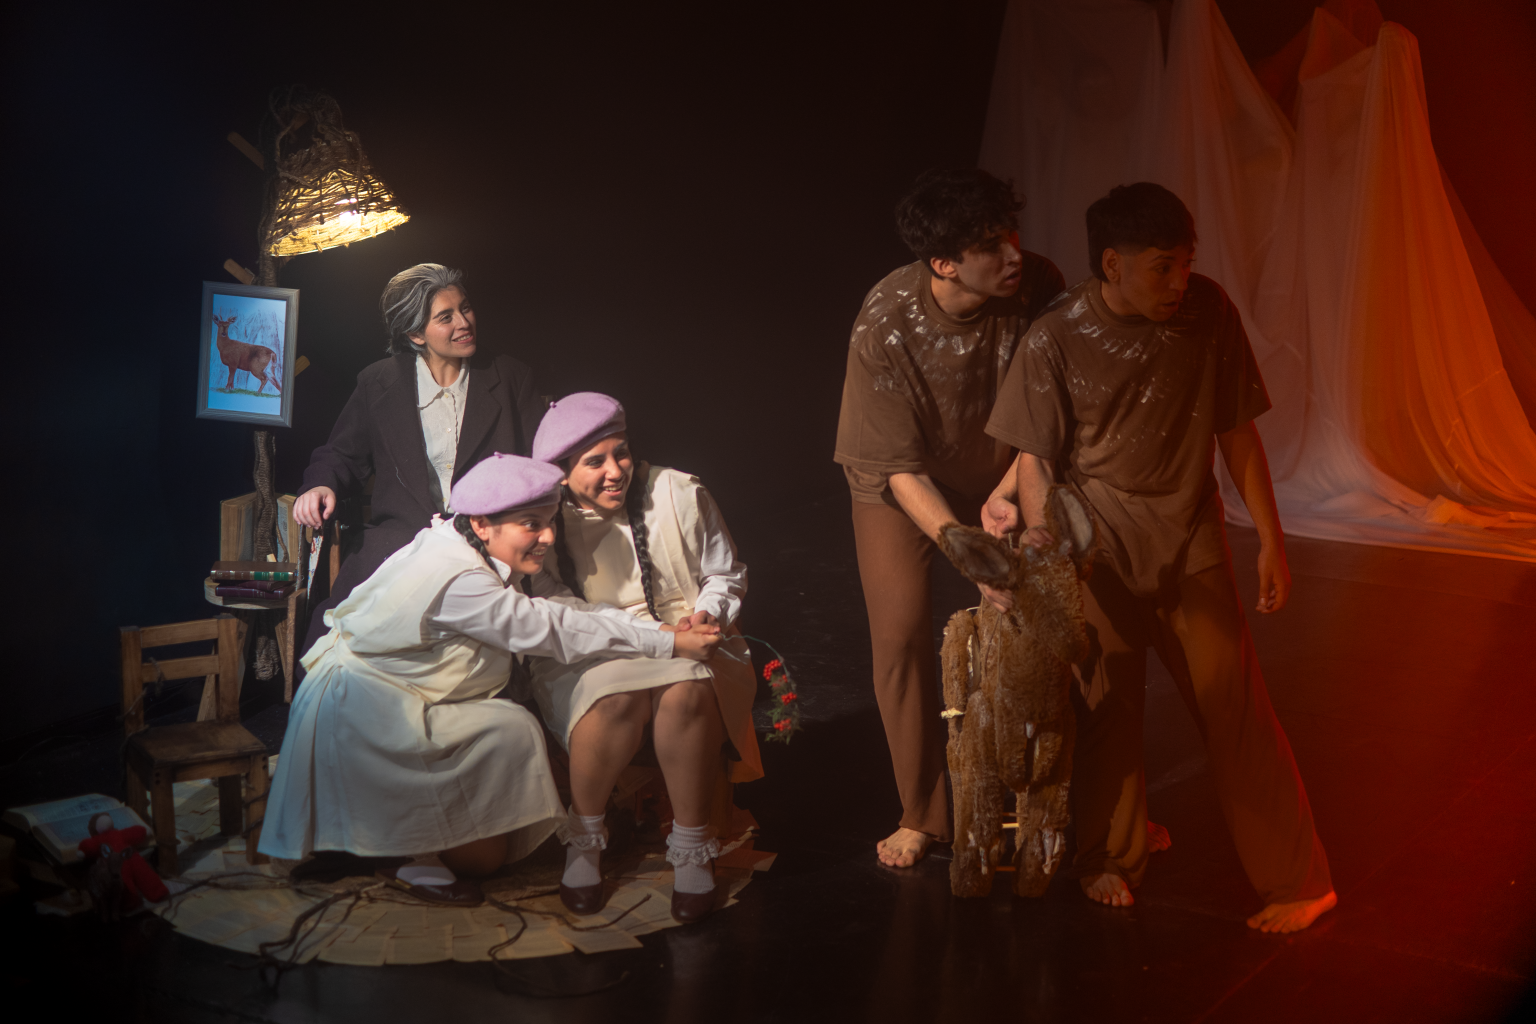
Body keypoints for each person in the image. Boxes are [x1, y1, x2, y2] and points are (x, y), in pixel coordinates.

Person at [986, 182, 1336, 933]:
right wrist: (1052, 552)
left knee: (1233, 706)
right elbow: (1035, 459)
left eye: (1185, 264)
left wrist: (1271, 539)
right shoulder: (1055, 337)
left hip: (1190, 540)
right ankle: (1109, 857)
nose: (1179, 282)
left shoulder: (1209, 313)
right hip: (1100, 547)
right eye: (1161, 267)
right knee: (1108, 706)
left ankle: (1298, 880)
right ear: (1113, 264)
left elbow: (1237, 431)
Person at [259, 453, 719, 907]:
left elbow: (562, 608)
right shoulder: (458, 578)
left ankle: (403, 841)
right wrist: (669, 646)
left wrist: (661, 632)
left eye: (550, 522)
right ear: (481, 524)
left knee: (508, 736)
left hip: (405, 698)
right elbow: (552, 628)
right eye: (532, 524)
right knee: (506, 754)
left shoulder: (464, 540)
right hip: (366, 716)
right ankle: (398, 851)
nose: (547, 537)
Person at [833, 169, 1065, 868]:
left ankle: (1043, 796)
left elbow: (1051, 409)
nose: (1013, 254)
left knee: (1039, 619)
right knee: (900, 639)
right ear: (943, 263)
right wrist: (961, 544)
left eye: (1011, 234)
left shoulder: (1037, 285)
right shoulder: (885, 321)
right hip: (902, 480)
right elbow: (897, 469)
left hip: (1002, 461)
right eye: (990, 246)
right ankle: (923, 812)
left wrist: (1007, 490)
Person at [526, 393, 760, 924]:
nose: (615, 471)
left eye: (622, 453)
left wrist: (708, 614)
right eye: (595, 462)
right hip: (594, 643)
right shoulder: (546, 519)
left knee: (687, 692)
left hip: (690, 637)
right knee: (614, 698)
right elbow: (555, 605)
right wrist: (653, 636)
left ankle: (691, 846)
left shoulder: (678, 492)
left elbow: (725, 572)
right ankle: (584, 839)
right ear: (561, 473)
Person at [292, 263, 545, 656]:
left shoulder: (510, 377)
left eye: (465, 308)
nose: (464, 322)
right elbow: (341, 453)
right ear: (415, 334)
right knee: (343, 640)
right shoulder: (378, 383)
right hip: (401, 541)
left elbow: (543, 460)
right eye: (446, 317)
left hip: (488, 541)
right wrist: (321, 484)